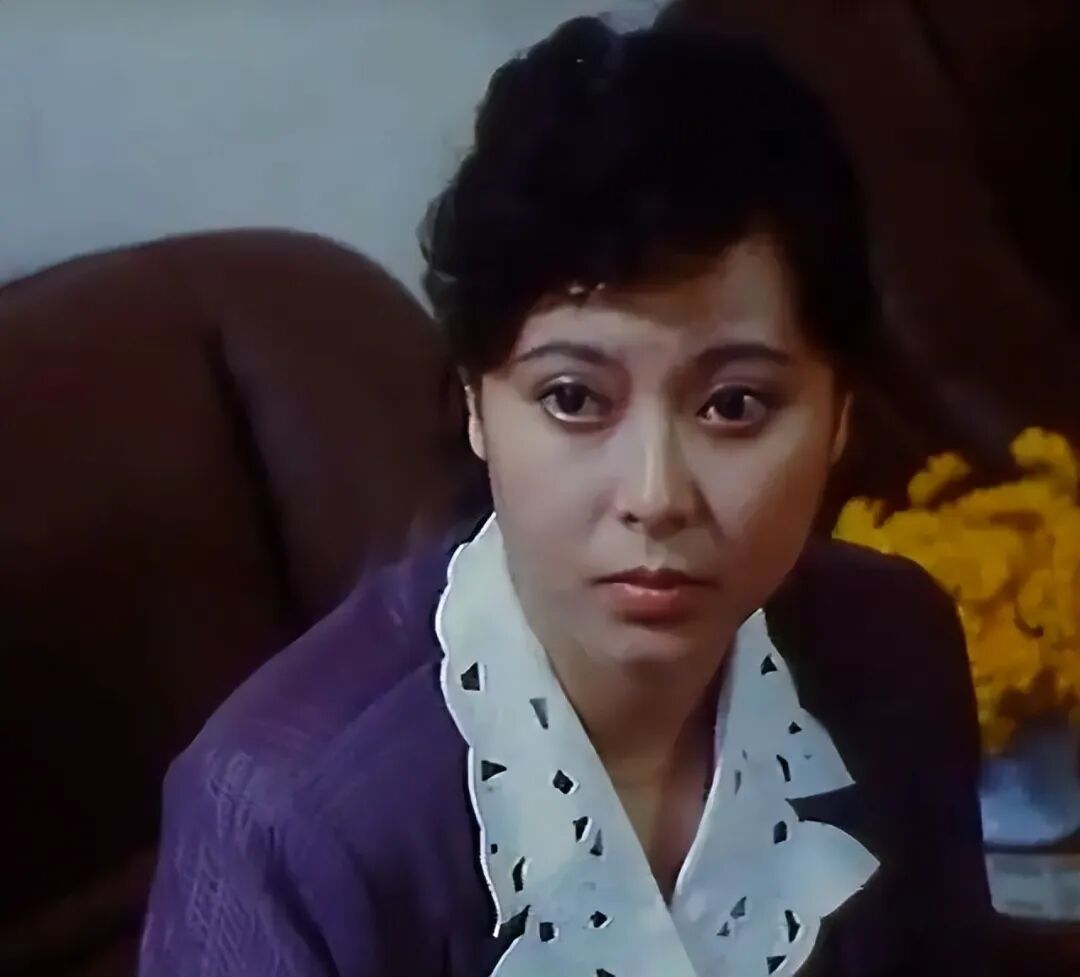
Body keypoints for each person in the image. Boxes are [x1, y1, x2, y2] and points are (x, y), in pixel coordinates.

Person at [138, 14, 994, 977]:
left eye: (735, 405)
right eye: (574, 399)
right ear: (476, 404)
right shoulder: (282, 826)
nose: (656, 496)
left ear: (839, 416)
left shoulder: (894, 649)